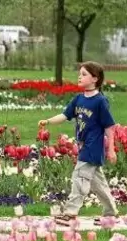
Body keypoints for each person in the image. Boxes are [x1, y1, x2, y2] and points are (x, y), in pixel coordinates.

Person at [38, 62, 118, 226]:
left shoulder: (100, 101)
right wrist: (48, 121)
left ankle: (70, 213)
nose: (79, 77)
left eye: (84, 74)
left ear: (95, 79)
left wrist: (111, 149)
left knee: (79, 178)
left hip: (92, 147)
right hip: (83, 145)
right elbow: (65, 115)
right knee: (98, 184)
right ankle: (111, 214)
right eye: (79, 73)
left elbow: (110, 126)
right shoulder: (79, 99)